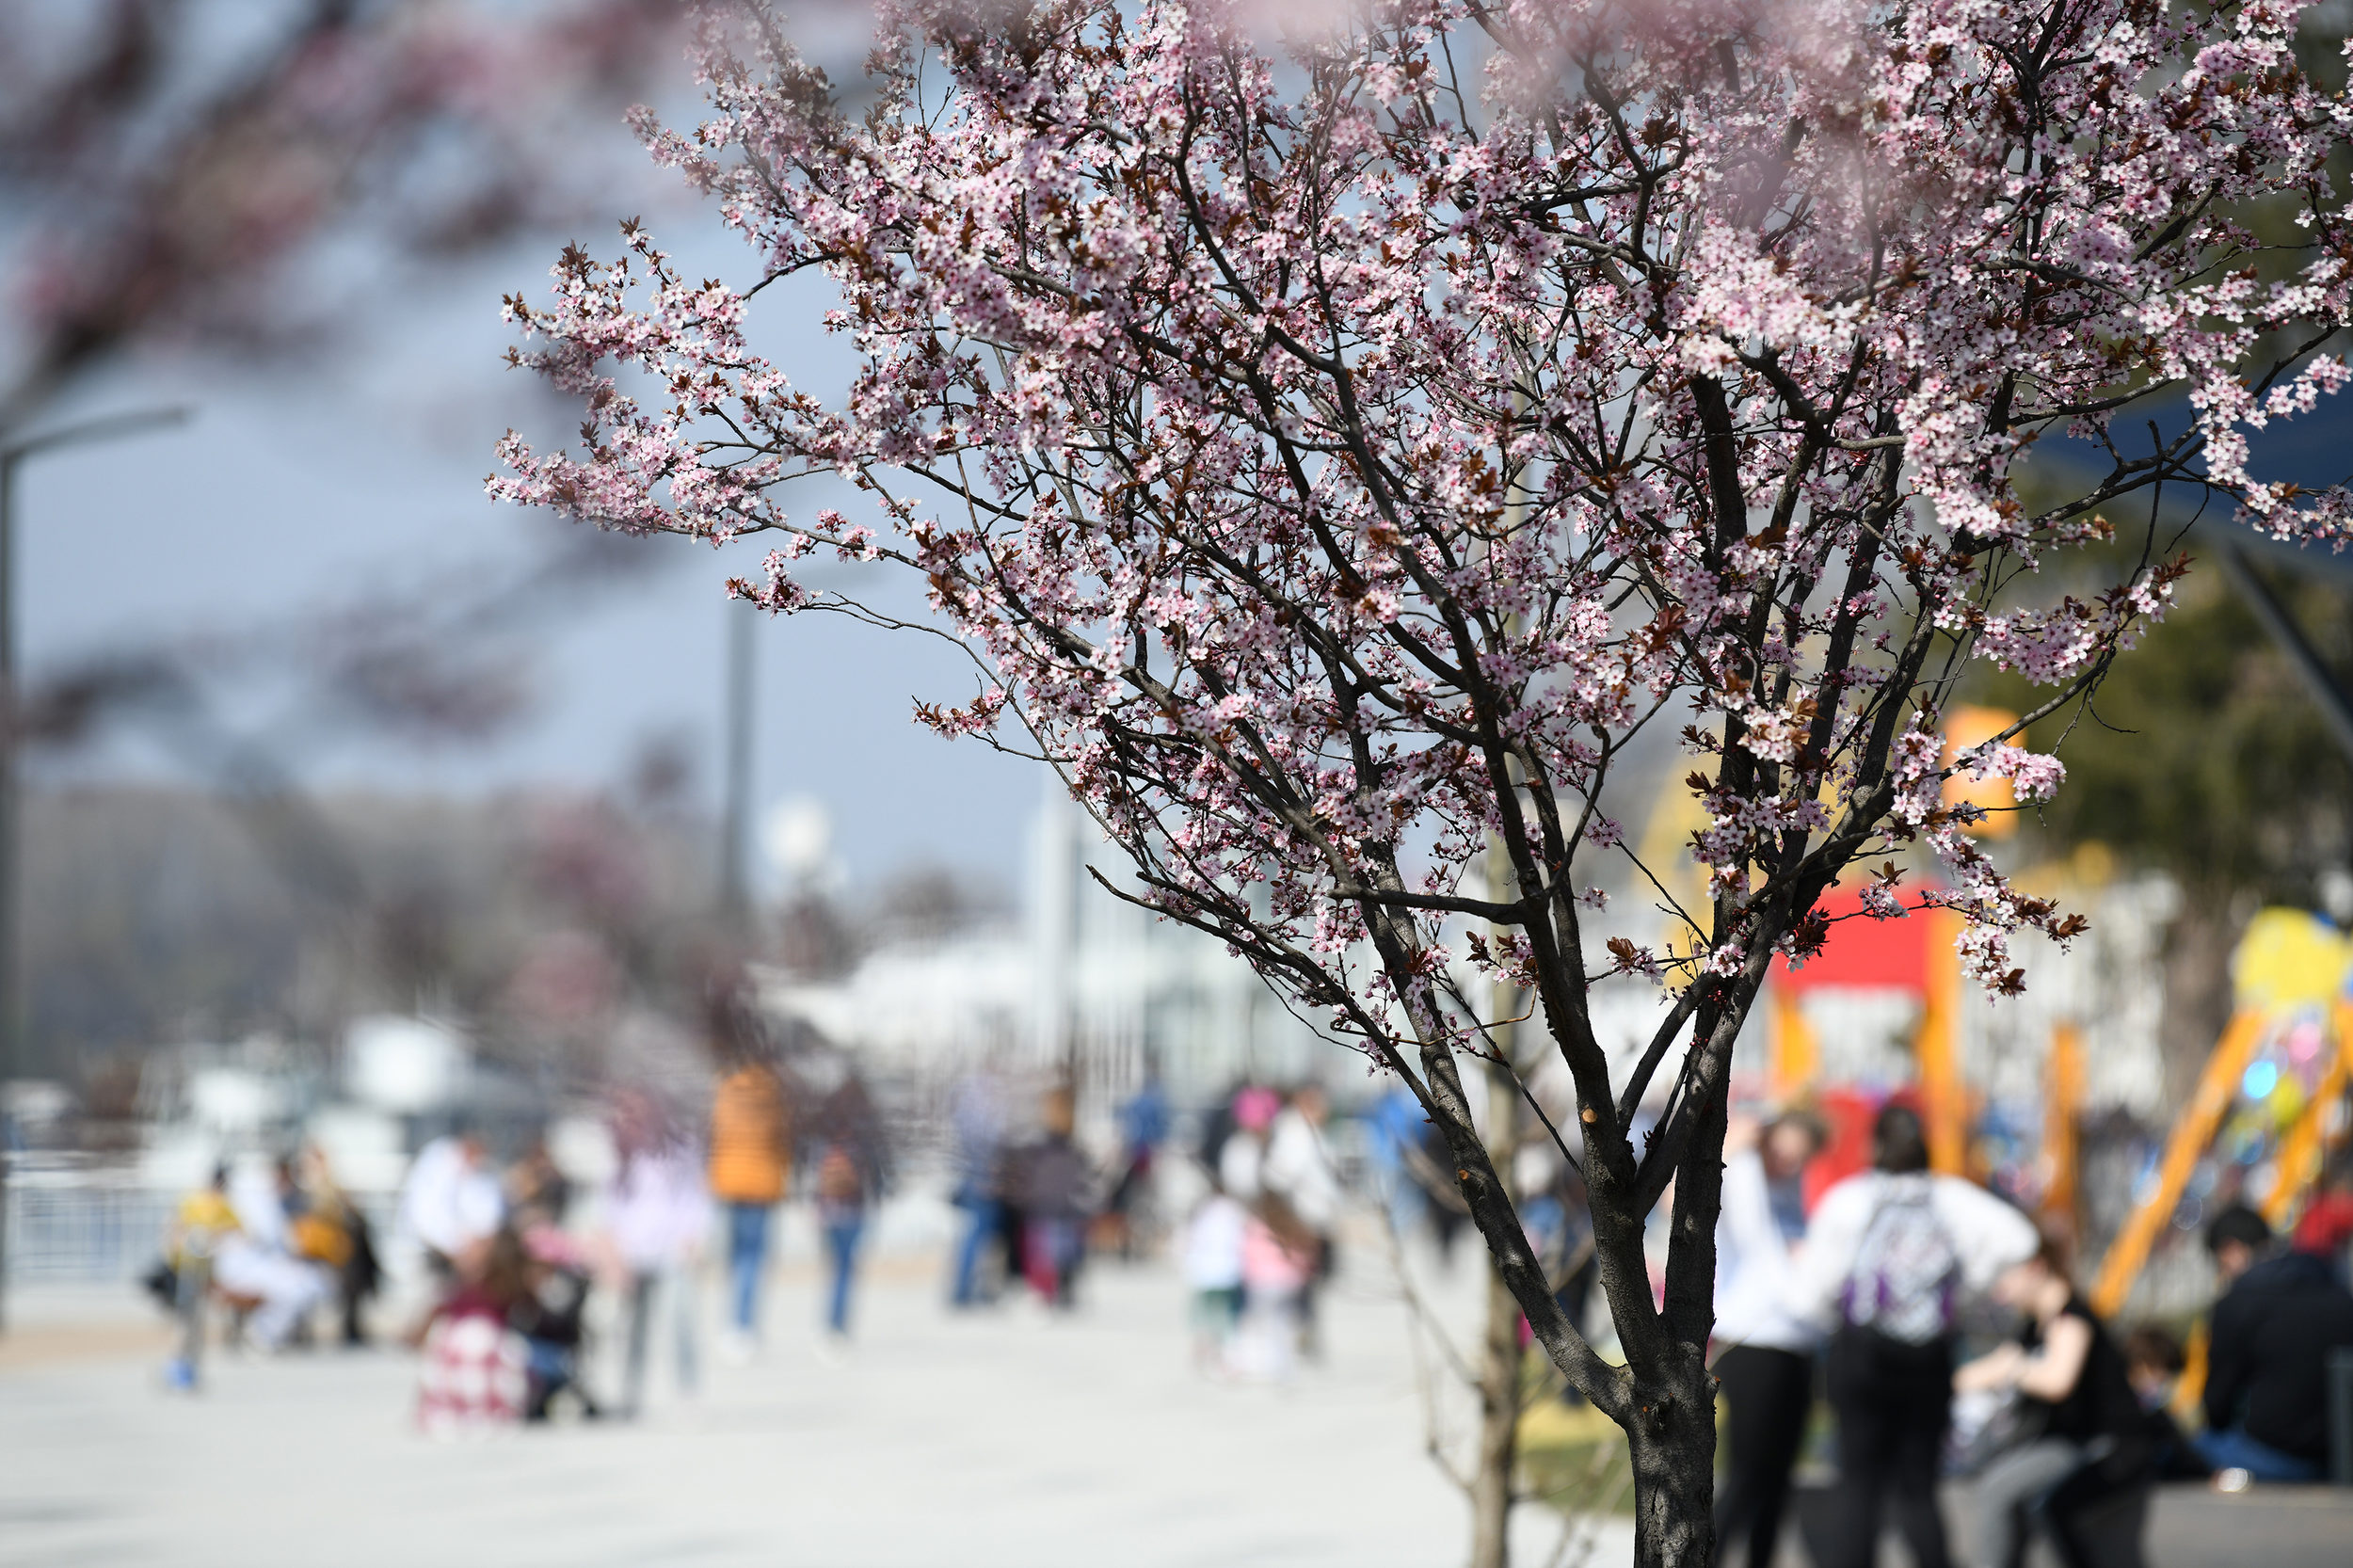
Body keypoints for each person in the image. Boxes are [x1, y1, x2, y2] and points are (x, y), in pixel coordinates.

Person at [1792, 1103, 2039, 1568]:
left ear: (1874, 1145)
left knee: (1859, 1485)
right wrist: (1964, 1292)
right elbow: (2021, 1239)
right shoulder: (1951, 1197)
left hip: (1861, 1357)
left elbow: (1812, 1294)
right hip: (1929, 1359)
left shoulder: (1850, 1198)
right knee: (1919, 1488)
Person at [1956, 1236, 2154, 1568]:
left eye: (2005, 1278)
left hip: (2108, 1449)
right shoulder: (2034, 1326)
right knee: (2012, 1495)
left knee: (2003, 1491)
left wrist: (2015, 1369)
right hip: (2073, 1444)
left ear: (2036, 1267)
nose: (2000, 1292)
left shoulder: (2070, 1319)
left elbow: (2058, 1381)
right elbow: (1991, 1368)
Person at [1711, 1110, 1826, 1568]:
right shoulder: (1742, 1177)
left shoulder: (1790, 1190)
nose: (1790, 1163)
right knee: (1747, 1472)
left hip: (1798, 1345)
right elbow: (1676, 1204)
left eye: (1801, 1157)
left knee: (1780, 1477)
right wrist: (1728, 1149)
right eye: (1783, 1152)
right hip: (1752, 1342)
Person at [2194, 1203, 2353, 1483]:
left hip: (2274, 1454)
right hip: (2339, 1454)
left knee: (2190, 1448)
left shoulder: (2239, 1301)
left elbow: (2217, 1405)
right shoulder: (2332, 1285)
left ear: (2231, 1249)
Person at [602, 1091, 709, 1417]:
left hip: (673, 1251)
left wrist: (694, 1237)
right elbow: (609, 1207)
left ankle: (688, 1393)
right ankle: (629, 1394)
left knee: (681, 1323)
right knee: (632, 1328)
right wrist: (613, 1252)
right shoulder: (621, 1153)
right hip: (633, 1252)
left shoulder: (680, 1150)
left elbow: (696, 1196)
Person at [706, 1041, 792, 1357]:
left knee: (735, 1256)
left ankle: (733, 1324)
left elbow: (714, 1137)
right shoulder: (773, 1092)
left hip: (729, 1182)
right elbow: (783, 1140)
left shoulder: (725, 1090)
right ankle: (744, 1325)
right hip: (762, 1184)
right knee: (753, 1259)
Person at [803, 1052, 889, 1341]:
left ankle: (830, 1321)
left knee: (834, 1264)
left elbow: (810, 1161)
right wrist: (880, 1194)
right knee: (846, 1266)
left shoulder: (822, 1121)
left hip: (827, 1204)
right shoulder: (866, 1121)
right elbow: (877, 1163)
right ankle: (838, 1323)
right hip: (855, 1204)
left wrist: (810, 1197)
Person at [214, 1157, 334, 1352]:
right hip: (247, 1269)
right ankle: (263, 1334)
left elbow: (280, 1240)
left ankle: (266, 1333)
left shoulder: (257, 1200)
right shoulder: (250, 1200)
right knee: (295, 1289)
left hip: (260, 1265)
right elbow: (267, 1237)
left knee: (308, 1284)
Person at [1261, 1083, 1343, 1355]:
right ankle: (1300, 1327)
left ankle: (1304, 1327)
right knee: (1302, 1278)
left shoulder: (1309, 1132)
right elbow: (1280, 1176)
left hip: (1315, 1216)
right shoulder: (1296, 1135)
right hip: (1303, 1217)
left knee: (1311, 1278)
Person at [159, 1163, 241, 1390]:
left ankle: (190, 1367)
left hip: (206, 1270)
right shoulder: (196, 1201)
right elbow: (176, 1228)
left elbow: (239, 1230)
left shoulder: (219, 1204)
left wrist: (215, 1237)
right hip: (187, 1268)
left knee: (198, 1321)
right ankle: (178, 1366)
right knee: (187, 1320)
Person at [398, 1124, 506, 1284]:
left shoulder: (483, 1173)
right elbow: (425, 1215)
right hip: (437, 1255)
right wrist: (461, 1244)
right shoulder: (439, 1160)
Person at [1018, 1085, 1093, 1307]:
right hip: (1054, 1207)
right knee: (1053, 1250)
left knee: (1054, 1250)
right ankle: (1054, 1291)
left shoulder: (1054, 1147)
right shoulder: (1064, 1147)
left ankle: (1054, 1290)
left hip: (1054, 1207)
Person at [946, 1060, 1010, 1306]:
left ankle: (969, 1290)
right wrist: (989, 1176)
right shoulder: (983, 1112)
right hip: (983, 1185)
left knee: (976, 1238)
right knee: (979, 1240)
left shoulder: (968, 1108)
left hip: (974, 1183)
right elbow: (986, 1148)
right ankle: (969, 1291)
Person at [1180, 1171, 1248, 1374]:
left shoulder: (1203, 1210)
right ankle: (1224, 1355)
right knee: (1228, 1316)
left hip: (1204, 1271)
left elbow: (1190, 1239)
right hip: (1229, 1270)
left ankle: (1204, 1348)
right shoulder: (1235, 1210)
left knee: (1204, 1314)